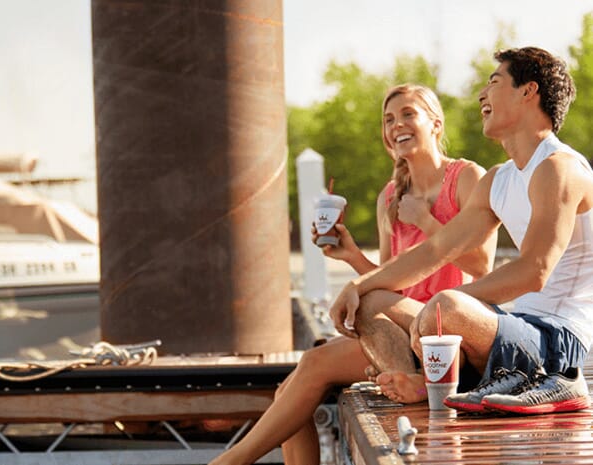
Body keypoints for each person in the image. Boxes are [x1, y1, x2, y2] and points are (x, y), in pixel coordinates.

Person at [208, 84, 496, 465]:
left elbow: (480, 265)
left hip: (448, 340)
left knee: (312, 367)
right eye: (389, 119)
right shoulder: (389, 197)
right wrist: (351, 255)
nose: (397, 125)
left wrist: (425, 220)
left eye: (409, 114)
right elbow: (390, 281)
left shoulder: (466, 178)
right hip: (398, 336)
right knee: (288, 394)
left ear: (436, 123)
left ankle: (232, 461)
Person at [332, 46, 593, 415]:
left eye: (494, 82)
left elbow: (534, 271)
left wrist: (444, 305)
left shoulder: (558, 167)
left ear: (528, 91)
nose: (481, 95)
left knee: (449, 305)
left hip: (556, 342)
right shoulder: (499, 179)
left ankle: (431, 381)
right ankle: (416, 382)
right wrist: (359, 284)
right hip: (513, 329)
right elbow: (436, 250)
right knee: (373, 301)